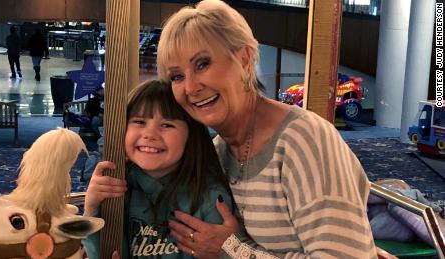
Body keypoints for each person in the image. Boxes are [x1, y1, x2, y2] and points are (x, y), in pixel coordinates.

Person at [156, 0, 378, 258]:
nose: (190, 88)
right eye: (177, 76)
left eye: (203, 64)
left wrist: (231, 250)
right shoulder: (216, 153)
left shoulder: (303, 140)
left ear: (245, 60)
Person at [82, 79, 235, 259]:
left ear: (192, 134)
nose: (150, 134)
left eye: (167, 125)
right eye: (139, 121)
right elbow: (101, 253)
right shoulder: (116, 186)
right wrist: (92, 208)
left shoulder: (210, 197)